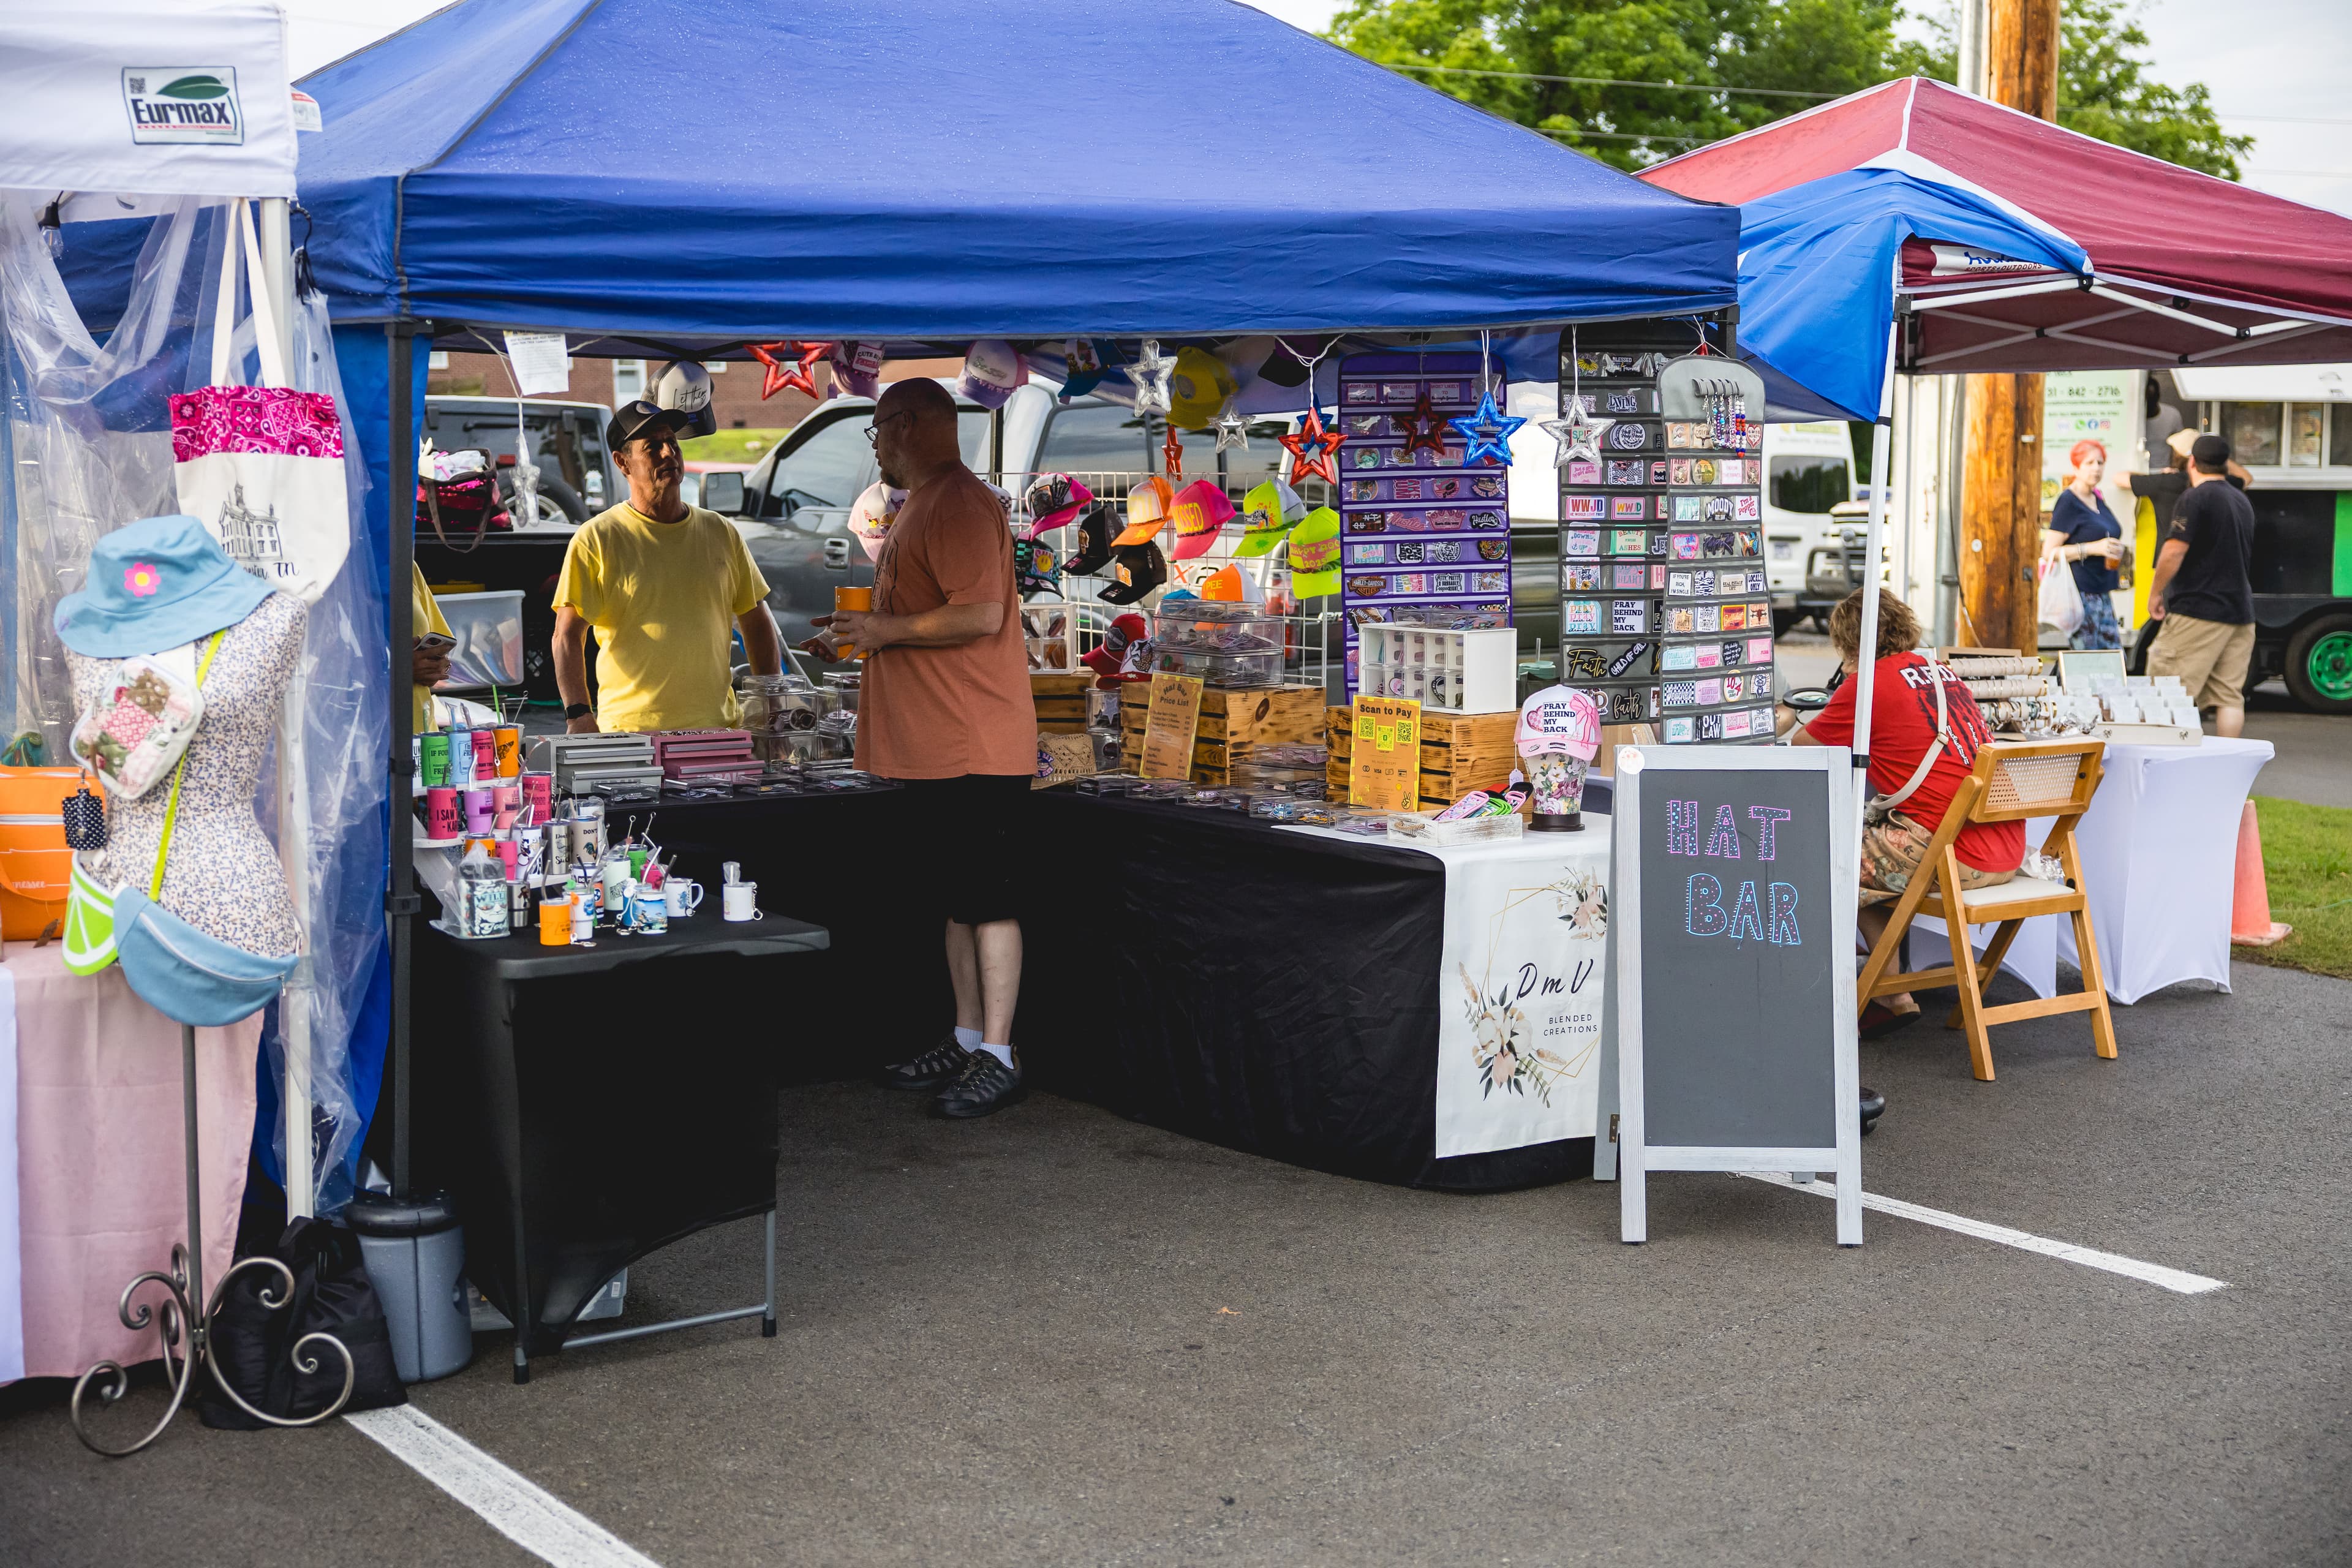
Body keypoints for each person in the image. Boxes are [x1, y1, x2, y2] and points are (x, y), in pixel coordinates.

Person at [809, 378, 1036, 1118]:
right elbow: (923, 610)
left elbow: (980, 612)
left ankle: (999, 1053)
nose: (875, 443)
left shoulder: (961, 503)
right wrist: (860, 631)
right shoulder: (926, 504)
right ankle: (968, 1036)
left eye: (876, 429)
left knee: (989, 900)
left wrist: (883, 632)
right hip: (939, 743)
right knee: (959, 901)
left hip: (975, 739)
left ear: (906, 425)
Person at [1780, 590, 2022, 1036]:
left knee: (1824, 861)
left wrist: (1851, 683)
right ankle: (1892, 990)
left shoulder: (1867, 685)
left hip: (1952, 853)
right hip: (2004, 846)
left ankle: (1879, 989)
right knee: (1868, 863)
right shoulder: (1943, 672)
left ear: (1848, 644)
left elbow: (1803, 749)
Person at [552, 401, 782, 733]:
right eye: (652, 447)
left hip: (717, 731)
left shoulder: (720, 531)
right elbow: (567, 635)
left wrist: (769, 699)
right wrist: (578, 714)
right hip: (630, 734)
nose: (668, 454)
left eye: (672, 442)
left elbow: (755, 618)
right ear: (623, 462)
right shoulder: (598, 538)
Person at [2146, 433, 2258, 739]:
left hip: (2198, 610)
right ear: (2225, 464)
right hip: (2241, 614)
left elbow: (2174, 550)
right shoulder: (2241, 500)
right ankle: (2223, 770)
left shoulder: (2195, 498)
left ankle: (2163, 765)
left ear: (2191, 462)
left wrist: (2156, 592)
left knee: (2166, 688)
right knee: (2229, 697)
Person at [2043, 439, 2127, 650]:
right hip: (2080, 594)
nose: (2096, 469)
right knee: (2085, 660)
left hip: (2103, 591)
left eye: (2100, 463)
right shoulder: (2069, 501)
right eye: (2089, 463)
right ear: (2076, 467)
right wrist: (2092, 549)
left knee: (2110, 659)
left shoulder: (2097, 498)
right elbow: (2049, 552)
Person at [410, 560, 451, 732]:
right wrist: (393, 666)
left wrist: (436, 663)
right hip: (352, 743)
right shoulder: (326, 572)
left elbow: (440, 642)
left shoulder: (403, 563)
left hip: (420, 738)